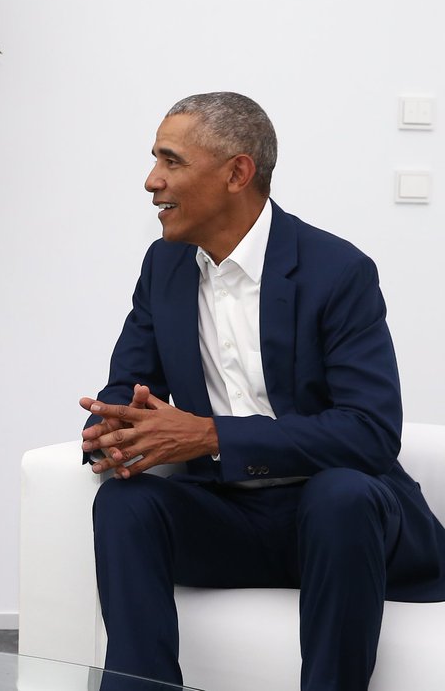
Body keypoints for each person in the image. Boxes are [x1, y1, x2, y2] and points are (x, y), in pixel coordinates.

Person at [79, 92, 445, 691]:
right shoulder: (164, 268)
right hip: (233, 517)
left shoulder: (337, 271)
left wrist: (210, 435)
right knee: (126, 504)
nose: (152, 181)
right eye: (155, 161)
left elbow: (371, 433)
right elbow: (127, 387)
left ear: (236, 173)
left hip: (343, 524)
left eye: (171, 161)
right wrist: (117, 431)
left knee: (341, 496)